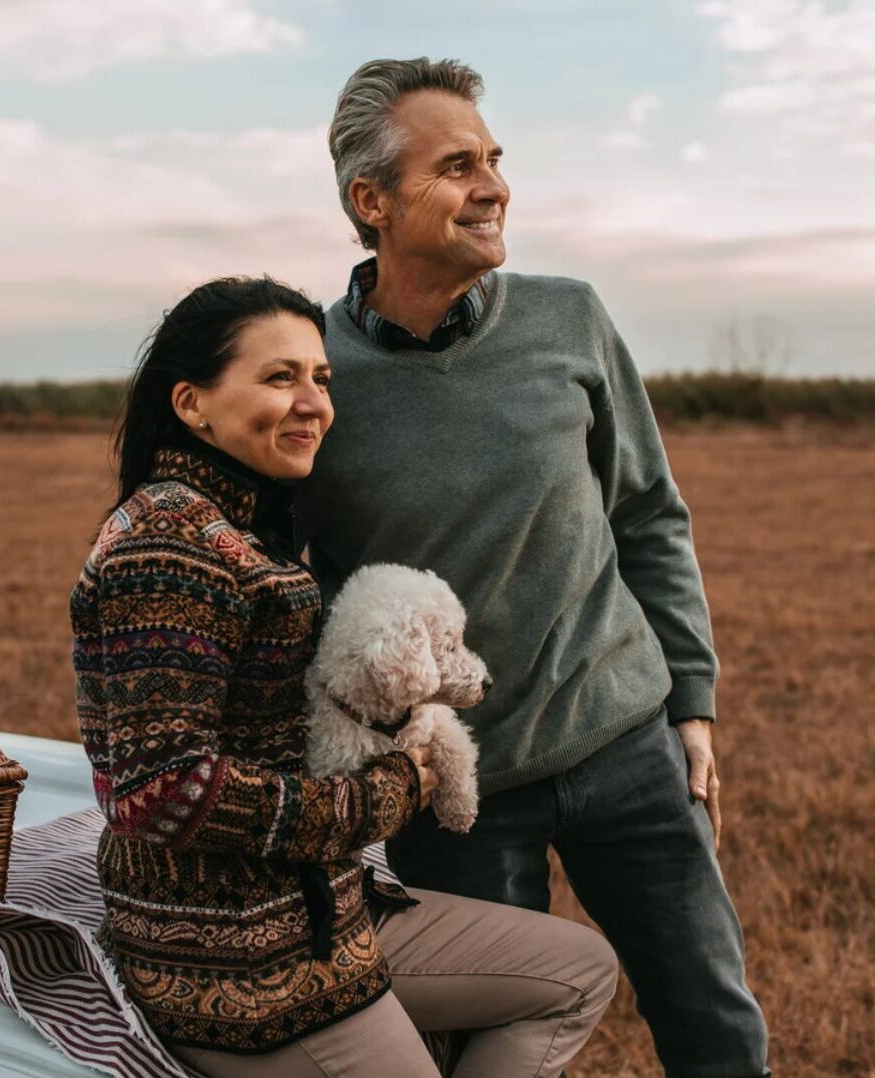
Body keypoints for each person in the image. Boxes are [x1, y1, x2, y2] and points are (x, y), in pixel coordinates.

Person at [294, 59, 771, 1077]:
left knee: (715, 1025)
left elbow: (646, 513)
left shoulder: (569, 317)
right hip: (456, 797)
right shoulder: (314, 375)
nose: (494, 186)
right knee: (488, 1052)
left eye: (494, 160)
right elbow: (298, 590)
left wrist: (691, 702)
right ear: (368, 201)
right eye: (456, 165)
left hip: (628, 747)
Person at [70, 276, 618, 1078]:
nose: (313, 402)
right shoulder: (169, 547)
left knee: (577, 971)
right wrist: (390, 792)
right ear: (193, 404)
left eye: (321, 378)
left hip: (320, 908)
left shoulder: (238, 523)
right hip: (241, 963)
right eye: (279, 376)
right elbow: (163, 787)